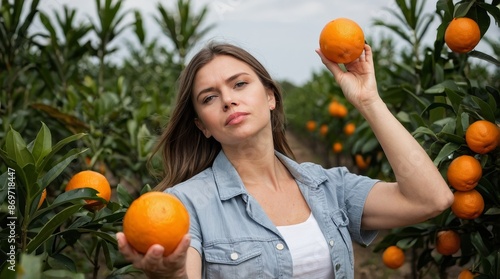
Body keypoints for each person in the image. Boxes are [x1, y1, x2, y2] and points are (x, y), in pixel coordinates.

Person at [116, 42, 454, 278]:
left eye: (240, 84)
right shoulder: (185, 204)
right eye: (210, 97)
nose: (229, 100)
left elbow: (431, 199)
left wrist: (368, 101)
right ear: (202, 126)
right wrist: (171, 275)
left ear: (270, 96)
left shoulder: (328, 187)